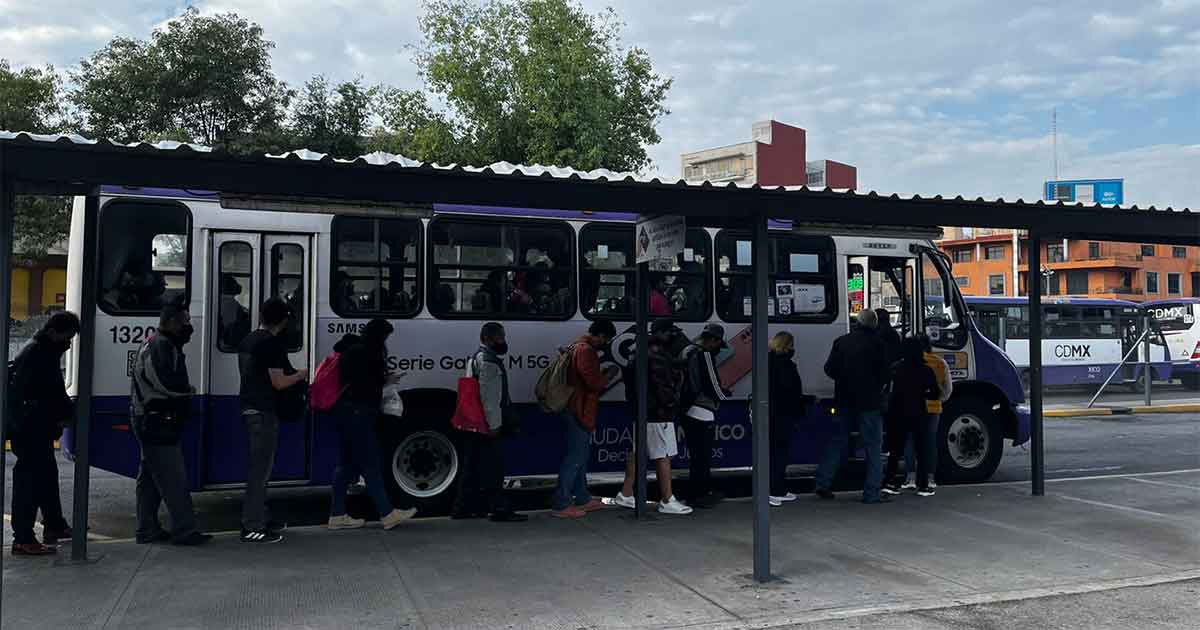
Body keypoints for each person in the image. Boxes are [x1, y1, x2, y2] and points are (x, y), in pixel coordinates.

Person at [130, 305, 211, 546]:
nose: (189, 327)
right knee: (173, 478)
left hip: (150, 418)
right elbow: (165, 383)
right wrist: (187, 393)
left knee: (150, 479)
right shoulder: (161, 346)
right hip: (158, 419)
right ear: (173, 322)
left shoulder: (158, 343)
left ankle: (146, 528)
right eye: (185, 321)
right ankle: (184, 530)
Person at [328, 320, 418, 530]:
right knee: (371, 463)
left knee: (346, 465)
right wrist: (387, 380)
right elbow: (368, 385)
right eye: (385, 337)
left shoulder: (351, 350)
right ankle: (387, 514)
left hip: (344, 411)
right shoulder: (369, 353)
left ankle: (337, 514)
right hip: (360, 413)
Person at [237, 297, 308, 544]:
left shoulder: (249, 339)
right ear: (284, 320)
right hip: (263, 411)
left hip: (249, 407)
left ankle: (261, 518)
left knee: (259, 470)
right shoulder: (271, 344)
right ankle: (253, 527)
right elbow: (278, 383)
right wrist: (302, 375)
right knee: (260, 473)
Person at [7, 312, 79, 556]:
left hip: (33, 428)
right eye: (67, 337)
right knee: (30, 482)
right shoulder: (39, 354)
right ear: (54, 332)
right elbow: (48, 394)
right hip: (30, 430)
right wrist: (67, 413)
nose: (69, 343)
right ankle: (23, 538)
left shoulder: (41, 350)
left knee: (47, 476)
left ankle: (54, 525)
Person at [612, 319, 693, 515]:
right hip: (658, 413)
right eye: (672, 333)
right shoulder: (657, 356)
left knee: (637, 453)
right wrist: (674, 401)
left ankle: (626, 493)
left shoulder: (637, 352)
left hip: (641, 412)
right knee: (663, 455)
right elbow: (663, 388)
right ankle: (667, 499)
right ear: (663, 334)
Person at [451, 322, 528, 522]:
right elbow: (490, 399)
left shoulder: (476, 356)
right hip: (487, 424)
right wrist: (494, 426)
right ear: (488, 338)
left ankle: (463, 507)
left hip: (473, 421)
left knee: (472, 465)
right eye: (500, 338)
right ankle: (499, 508)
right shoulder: (490, 362)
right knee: (494, 467)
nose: (503, 342)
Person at [814, 309, 891, 504]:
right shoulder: (878, 344)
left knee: (837, 442)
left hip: (844, 400)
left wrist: (844, 379)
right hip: (869, 402)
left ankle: (823, 483)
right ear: (874, 324)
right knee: (873, 448)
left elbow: (829, 369)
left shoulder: (841, 342)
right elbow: (885, 374)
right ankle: (872, 493)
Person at [550, 320, 619, 518]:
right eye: (606, 339)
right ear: (600, 335)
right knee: (576, 456)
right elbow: (594, 383)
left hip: (575, 407)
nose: (605, 343)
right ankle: (562, 503)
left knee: (581, 455)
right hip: (579, 409)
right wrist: (609, 374)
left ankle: (582, 497)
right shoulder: (586, 351)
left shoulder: (576, 346)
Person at [882, 337, 940, 497]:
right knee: (921, 450)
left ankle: (889, 482)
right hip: (918, 412)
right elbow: (935, 392)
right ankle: (923, 486)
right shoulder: (925, 370)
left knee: (896, 449)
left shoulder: (895, 368)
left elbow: (887, 389)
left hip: (897, 412)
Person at [680, 323, 730, 509]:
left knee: (696, 456)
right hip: (702, 409)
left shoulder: (687, 351)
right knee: (703, 456)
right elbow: (711, 383)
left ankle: (696, 492)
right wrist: (724, 395)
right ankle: (700, 494)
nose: (718, 349)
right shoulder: (705, 354)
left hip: (687, 409)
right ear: (714, 341)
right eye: (718, 344)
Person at [767, 331, 804, 507]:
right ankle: (775, 490)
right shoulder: (786, 365)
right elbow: (791, 392)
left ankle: (775, 489)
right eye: (791, 344)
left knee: (773, 453)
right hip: (783, 415)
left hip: (771, 413)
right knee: (780, 453)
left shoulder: (768, 361)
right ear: (786, 345)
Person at [918, 333, 952, 495]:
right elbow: (947, 389)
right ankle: (930, 477)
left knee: (911, 442)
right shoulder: (940, 362)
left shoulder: (907, 363)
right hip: (934, 408)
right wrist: (940, 400)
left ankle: (911, 477)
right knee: (930, 442)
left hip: (913, 408)